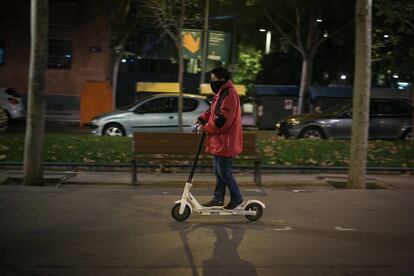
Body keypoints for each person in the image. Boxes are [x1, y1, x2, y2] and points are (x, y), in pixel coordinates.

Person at [195, 67, 244, 210]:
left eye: (213, 79)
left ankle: (237, 199)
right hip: (219, 141)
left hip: (226, 141)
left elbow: (221, 122)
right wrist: (201, 119)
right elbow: (212, 111)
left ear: (222, 79)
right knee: (218, 171)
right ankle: (218, 198)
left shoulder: (229, 95)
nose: (212, 82)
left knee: (224, 173)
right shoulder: (221, 93)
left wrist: (203, 128)